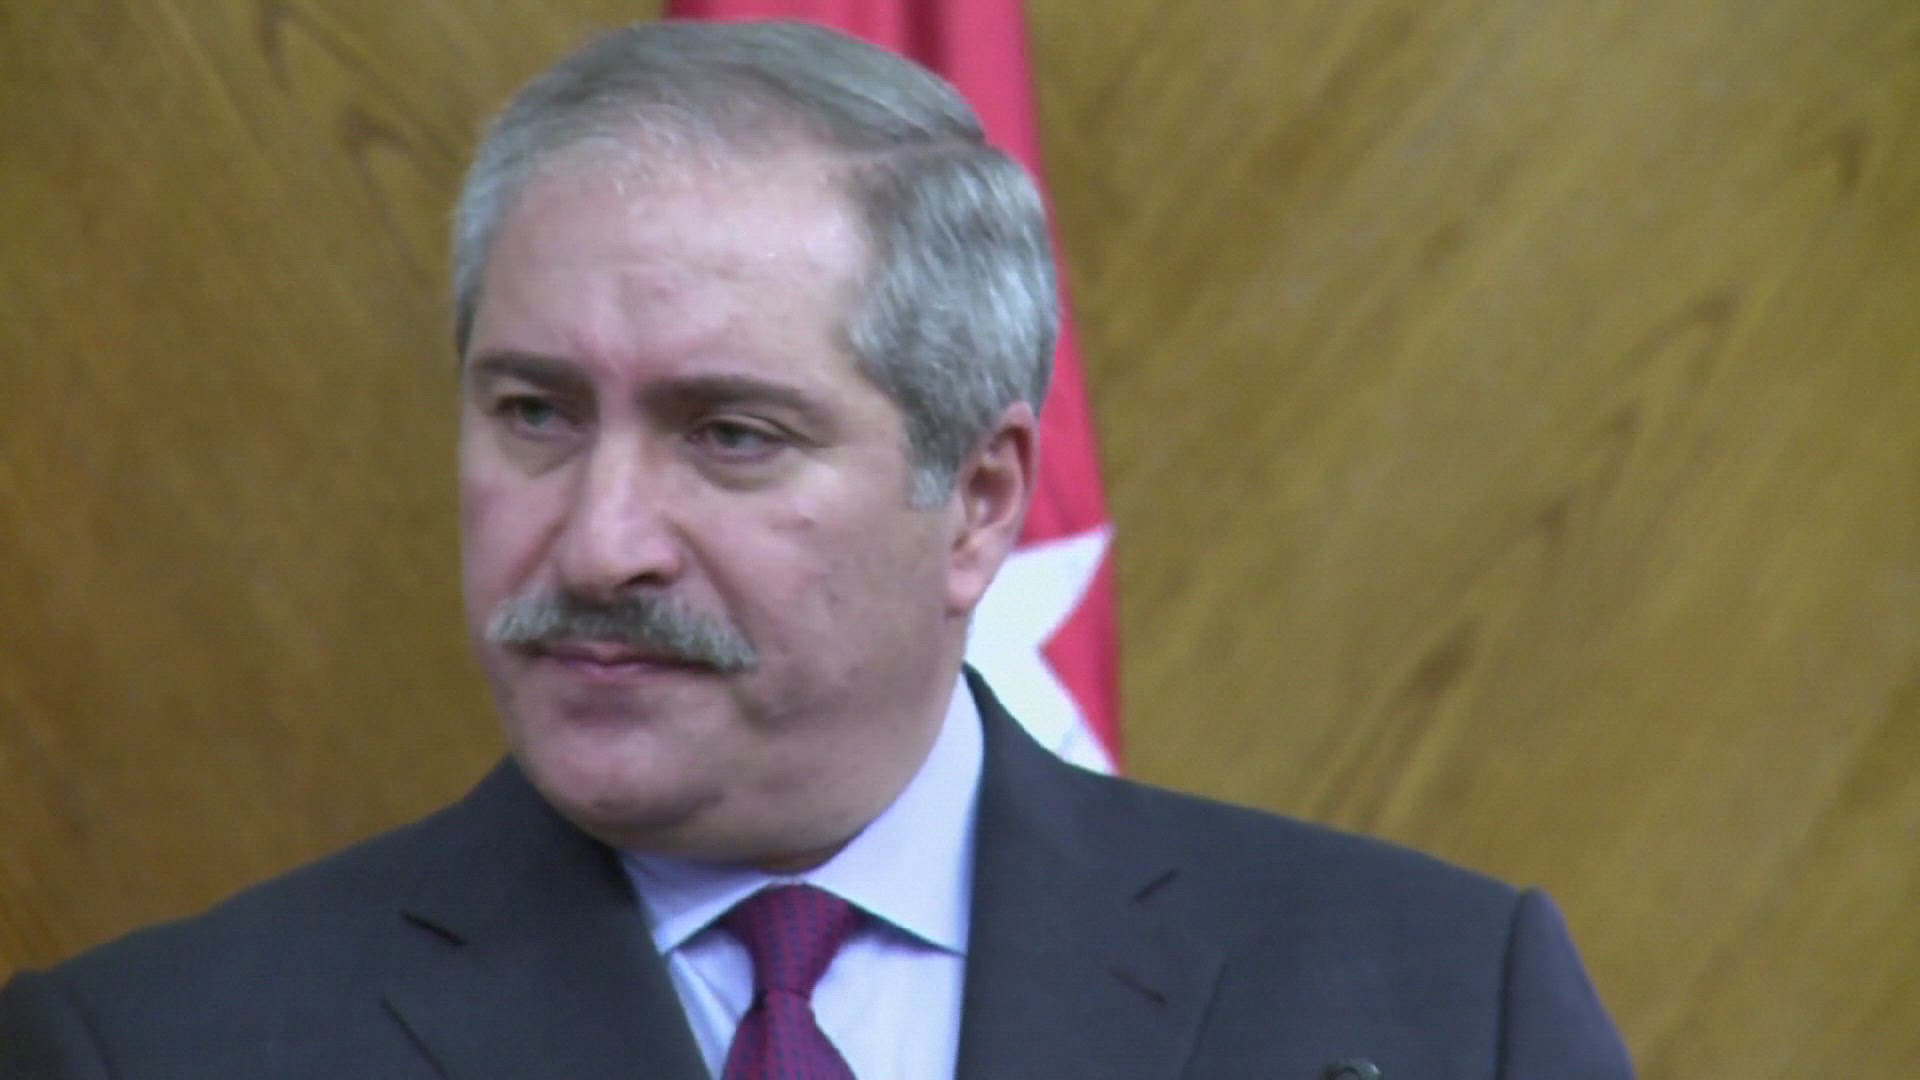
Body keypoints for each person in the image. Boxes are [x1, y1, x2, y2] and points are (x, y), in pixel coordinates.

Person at [0, 20, 1633, 1079]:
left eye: (730, 433)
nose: (600, 542)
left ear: (978, 500)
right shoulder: (152, 1050)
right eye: (535, 413)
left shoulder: (1439, 1007)